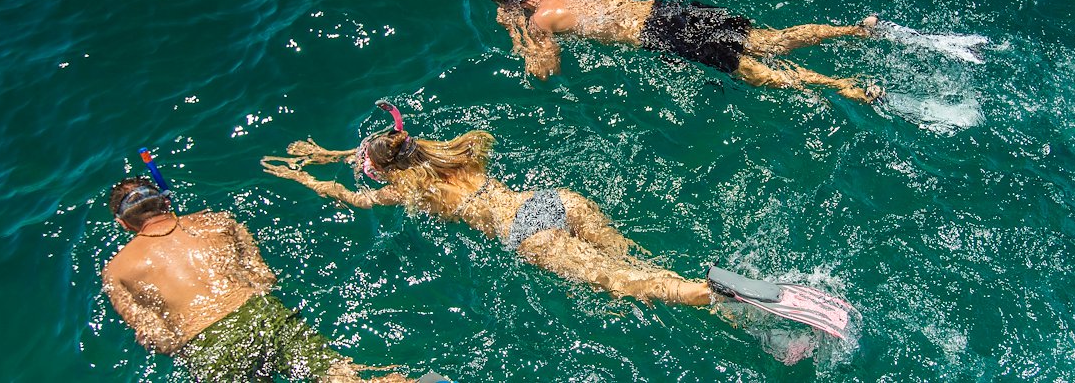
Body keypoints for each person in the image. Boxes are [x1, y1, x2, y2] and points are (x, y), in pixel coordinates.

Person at [260, 102, 854, 341]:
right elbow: (397, 151)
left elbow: (361, 200)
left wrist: (313, 178)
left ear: (385, 169)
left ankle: (721, 294)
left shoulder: (415, 191)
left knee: (632, 287)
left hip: (529, 235)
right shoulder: (447, 152)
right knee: (633, 266)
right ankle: (749, 317)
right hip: (552, 201)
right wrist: (353, 154)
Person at [100, 178, 410, 382]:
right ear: (165, 202)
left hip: (207, 345)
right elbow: (264, 277)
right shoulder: (217, 221)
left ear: (123, 223)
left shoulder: (116, 270)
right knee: (339, 377)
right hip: (261, 314)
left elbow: (156, 338)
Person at [479, 0, 884, 103]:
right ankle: (855, 30)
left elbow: (544, 69)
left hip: (660, 33)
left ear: (513, 4)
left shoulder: (538, 21)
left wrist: (517, 33)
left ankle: (843, 85)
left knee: (753, 72)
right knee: (768, 40)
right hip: (669, 9)